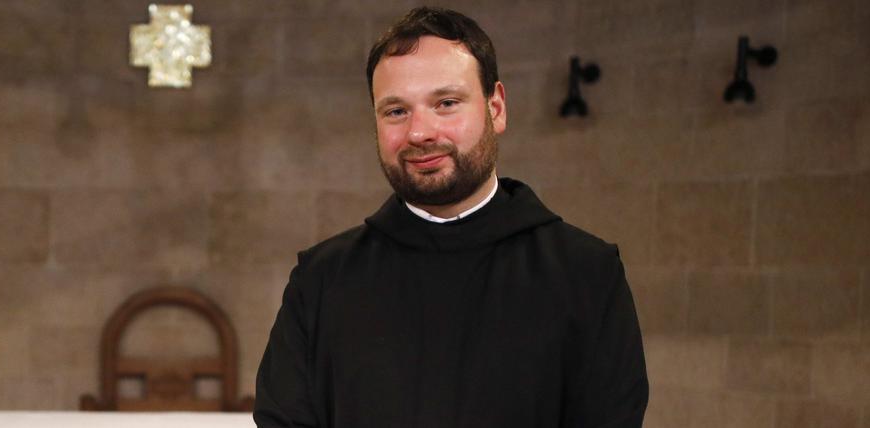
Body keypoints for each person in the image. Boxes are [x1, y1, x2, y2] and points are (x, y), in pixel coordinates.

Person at [254, 6, 648, 428]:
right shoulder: (321, 280)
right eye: (396, 111)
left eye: (445, 103)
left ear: (495, 108)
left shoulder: (587, 274)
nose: (420, 132)